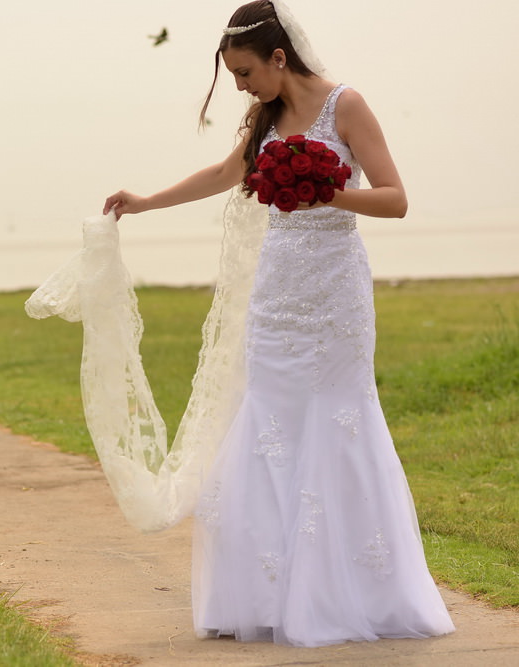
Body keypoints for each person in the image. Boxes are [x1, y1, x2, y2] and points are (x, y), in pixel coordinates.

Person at [99, 0, 456, 648]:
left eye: (243, 72)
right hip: (277, 294)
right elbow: (223, 172)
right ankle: (265, 592)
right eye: (233, 75)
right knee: (267, 427)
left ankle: (347, 595)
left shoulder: (346, 106)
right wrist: (146, 201)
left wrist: (328, 192)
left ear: (278, 58)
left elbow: (395, 198)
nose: (240, 85)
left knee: (337, 425)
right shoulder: (264, 118)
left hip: (335, 295)